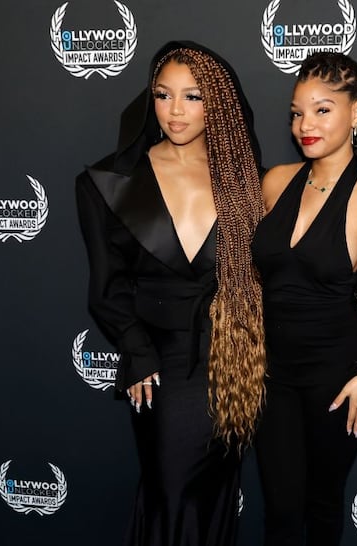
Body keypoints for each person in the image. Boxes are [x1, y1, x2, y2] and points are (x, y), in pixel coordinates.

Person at [75, 41, 266, 546]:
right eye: (163, 95)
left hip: (234, 357)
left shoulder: (246, 179)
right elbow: (105, 288)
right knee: (170, 491)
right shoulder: (107, 182)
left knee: (215, 494)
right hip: (162, 360)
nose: (176, 110)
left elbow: (289, 257)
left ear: (218, 103)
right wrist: (136, 353)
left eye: (193, 96)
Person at [251, 52, 357, 545]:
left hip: (334, 379)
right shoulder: (274, 181)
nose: (305, 124)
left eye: (322, 110)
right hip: (270, 373)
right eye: (297, 112)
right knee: (279, 509)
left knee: (321, 505)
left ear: (356, 113)